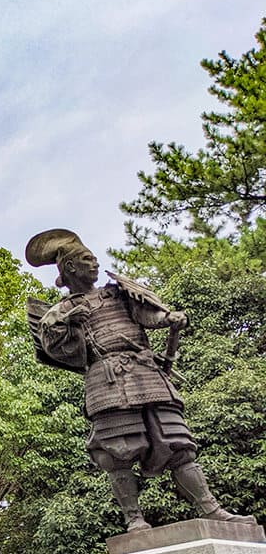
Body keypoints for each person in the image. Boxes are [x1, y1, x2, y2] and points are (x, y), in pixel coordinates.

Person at [25, 228, 253, 532]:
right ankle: (134, 519)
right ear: (70, 268)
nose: (94, 264)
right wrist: (68, 323)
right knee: (118, 451)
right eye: (86, 260)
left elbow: (148, 315)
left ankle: (212, 509)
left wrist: (168, 319)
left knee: (177, 442)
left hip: (146, 372)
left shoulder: (118, 292)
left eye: (94, 259)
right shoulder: (62, 310)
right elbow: (57, 349)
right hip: (105, 380)